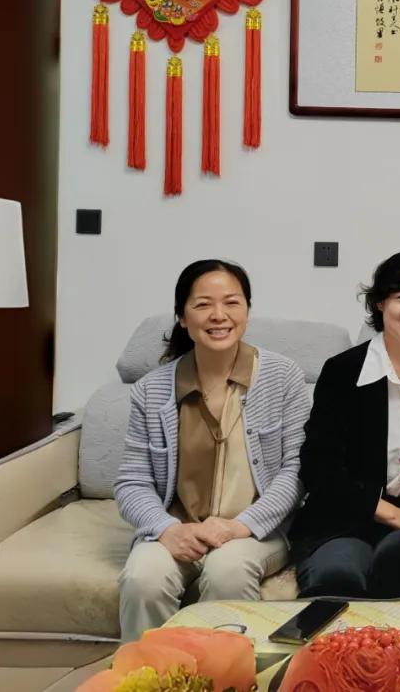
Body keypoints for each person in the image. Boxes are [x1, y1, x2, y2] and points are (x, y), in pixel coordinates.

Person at [115, 260, 309, 639]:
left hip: (254, 531)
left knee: (227, 571)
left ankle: (224, 670)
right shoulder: (151, 389)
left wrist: (238, 526)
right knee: (142, 578)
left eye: (232, 303)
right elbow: (132, 483)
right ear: (182, 317)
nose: (219, 315)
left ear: (247, 311)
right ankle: (148, 670)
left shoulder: (282, 376)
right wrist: (167, 529)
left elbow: (296, 472)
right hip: (178, 527)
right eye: (203, 304)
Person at [290, 250, 400, 599]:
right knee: (339, 574)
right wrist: (387, 512)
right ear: (380, 302)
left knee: (398, 558)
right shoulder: (343, 371)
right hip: (347, 518)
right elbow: (318, 466)